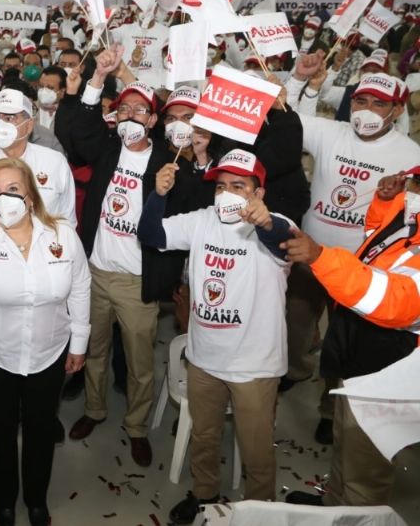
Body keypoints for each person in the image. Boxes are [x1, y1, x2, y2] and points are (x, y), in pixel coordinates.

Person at [138, 150, 294, 524]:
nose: (225, 194)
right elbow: (151, 234)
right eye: (221, 186)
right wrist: (157, 195)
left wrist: (265, 222)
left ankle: (260, 512)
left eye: (238, 186)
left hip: (254, 365)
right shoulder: (203, 220)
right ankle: (204, 494)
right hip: (205, 356)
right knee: (204, 437)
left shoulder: (277, 226)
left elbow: (282, 241)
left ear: (259, 192)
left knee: (257, 451)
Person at [57, 47, 188, 467]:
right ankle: (94, 411)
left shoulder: (170, 162)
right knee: (93, 350)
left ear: (153, 120)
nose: (131, 116)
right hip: (96, 272)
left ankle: (135, 427)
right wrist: (97, 79)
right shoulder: (109, 147)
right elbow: (74, 131)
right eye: (125, 108)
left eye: (141, 111)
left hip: (138, 280)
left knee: (138, 362)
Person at [283, 62, 417, 443]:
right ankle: (295, 371)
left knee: (344, 342)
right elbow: (288, 121)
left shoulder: (409, 155)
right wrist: (297, 81)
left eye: (379, 104)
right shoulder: (332, 133)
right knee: (297, 323)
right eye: (360, 101)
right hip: (310, 256)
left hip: (361, 275)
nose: (367, 111)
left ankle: (331, 404)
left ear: (396, 111)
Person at [0, 158, 89, 526]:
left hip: (51, 350)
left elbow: (80, 288)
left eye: (12, 190)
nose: (2, 199)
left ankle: (36, 498)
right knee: (0, 427)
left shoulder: (61, 235)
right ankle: (5, 499)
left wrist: (79, 343)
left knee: (42, 428)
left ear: (30, 197)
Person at [285, 169, 420, 508]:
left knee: (365, 469)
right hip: (360, 349)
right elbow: (377, 244)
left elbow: (395, 302)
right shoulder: (410, 217)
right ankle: (334, 507)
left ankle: (356, 514)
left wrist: (321, 258)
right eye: (417, 183)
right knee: (345, 440)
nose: (413, 192)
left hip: (391, 373)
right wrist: (383, 202)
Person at [0, 89, 77, 229]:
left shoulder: (55, 162)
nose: (1, 125)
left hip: (42, 248)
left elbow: (67, 220)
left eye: (9, 118)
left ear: (29, 125)